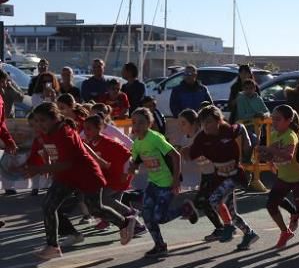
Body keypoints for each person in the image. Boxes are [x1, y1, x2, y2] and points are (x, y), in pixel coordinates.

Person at [21, 103, 138, 259]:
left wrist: (39, 170)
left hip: (87, 175)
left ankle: (125, 222)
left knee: (96, 209)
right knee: (48, 205)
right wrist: (30, 166)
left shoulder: (65, 133)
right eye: (36, 121)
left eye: (43, 120)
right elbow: (41, 151)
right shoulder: (45, 133)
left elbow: (67, 163)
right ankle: (53, 246)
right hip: (66, 176)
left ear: (55, 119)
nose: (39, 124)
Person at [188, 106, 259, 249]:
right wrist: (185, 152)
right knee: (232, 213)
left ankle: (228, 227)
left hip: (235, 176)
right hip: (220, 177)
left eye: (209, 122)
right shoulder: (202, 137)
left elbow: (241, 128)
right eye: (203, 123)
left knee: (214, 199)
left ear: (218, 121)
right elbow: (192, 154)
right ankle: (249, 233)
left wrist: (248, 146)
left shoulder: (227, 130)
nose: (206, 126)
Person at [260, 104, 299, 249]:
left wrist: (269, 149)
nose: (274, 122)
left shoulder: (291, 135)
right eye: (273, 119)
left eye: (278, 119)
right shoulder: (274, 134)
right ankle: (285, 232)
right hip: (284, 177)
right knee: (271, 204)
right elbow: (273, 154)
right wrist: (266, 155)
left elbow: (288, 155)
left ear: (288, 120)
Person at [124, 107, 183, 258]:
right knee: (147, 215)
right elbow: (135, 163)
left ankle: (185, 210)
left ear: (149, 124)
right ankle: (160, 245)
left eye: (141, 123)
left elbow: (175, 156)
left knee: (159, 218)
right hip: (153, 183)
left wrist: (176, 180)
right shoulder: (137, 143)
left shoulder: (155, 138)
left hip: (167, 183)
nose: (136, 126)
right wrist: (131, 168)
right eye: (134, 122)